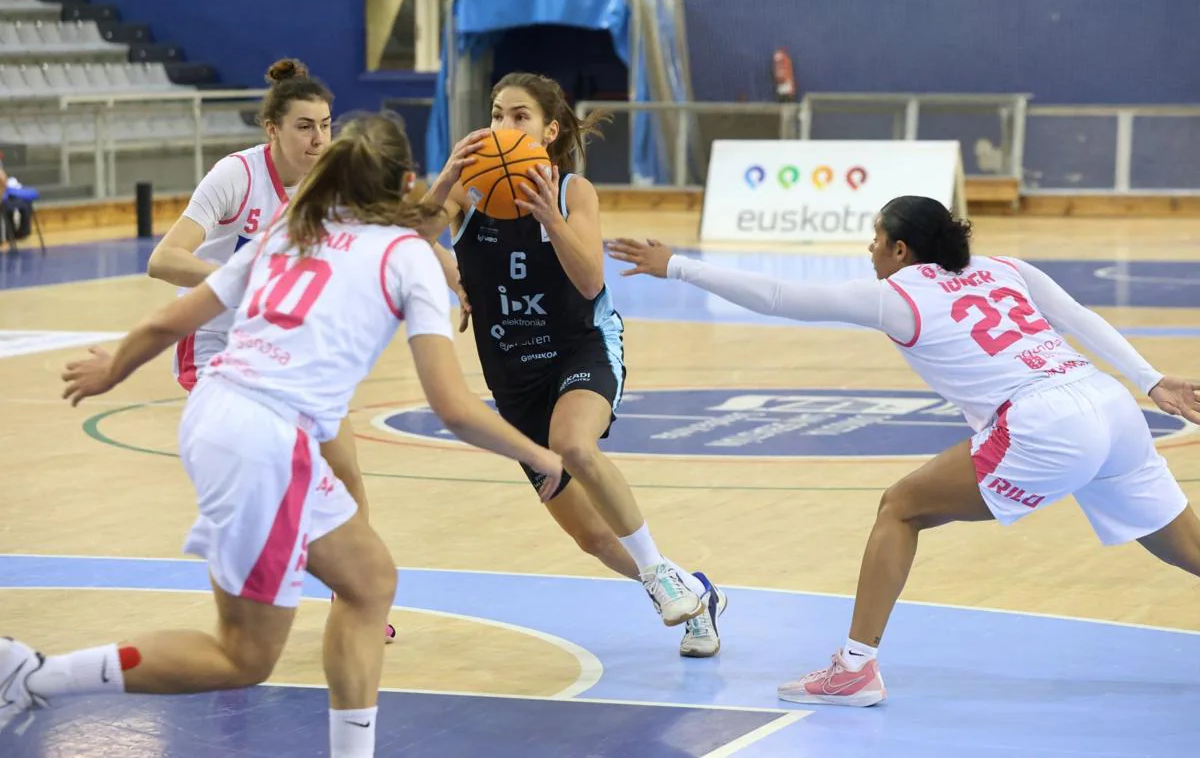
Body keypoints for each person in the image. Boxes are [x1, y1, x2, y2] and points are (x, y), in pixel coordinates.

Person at [0, 112, 565, 756]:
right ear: (406, 180)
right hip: (266, 440)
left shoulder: (291, 231)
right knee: (242, 656)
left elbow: (169, 321)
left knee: (369, 580)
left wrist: (113, 367)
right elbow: (455, 407)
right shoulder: (410, 258)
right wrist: (538, 453)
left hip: (220, 413)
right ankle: (37, 677)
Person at [608, 194, 1200, 706]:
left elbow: (777, 295)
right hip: (1112, 406)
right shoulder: (1006, 267)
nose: (870, 252)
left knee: (901, 507)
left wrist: (678, 266)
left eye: (876, 241)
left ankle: (854, 668)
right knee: (1187, 548)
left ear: (900, 251)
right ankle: (853, 667)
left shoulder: (898, 295)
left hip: (1044, 421)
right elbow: (1079, 318)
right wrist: (1149, 379)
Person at [422, 72, 726, 657]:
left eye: (520, 117)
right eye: (496, 115)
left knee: (576, 445)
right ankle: (691, 589)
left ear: (550, 129)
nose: (504, 128)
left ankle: (660, 577)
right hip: (513, 374)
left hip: (579, 349)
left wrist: (548, 218)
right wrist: (443, 191)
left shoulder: (572, 192)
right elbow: (399, 236)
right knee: (591, 536)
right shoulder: (468, 191)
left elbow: (589, 279)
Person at [146, 59, 389, 640]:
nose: (319, 138)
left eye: (326, 125)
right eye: (304, 126)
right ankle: (240, 598)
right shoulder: (236, 176)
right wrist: (245, 278)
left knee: (346, 467)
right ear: (272, 130)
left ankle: (351, 597)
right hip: (217, 347)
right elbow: (163, 258)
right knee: (267, 474)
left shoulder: (331, 182)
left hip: (287, 346)